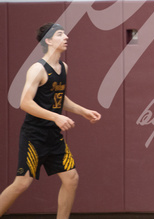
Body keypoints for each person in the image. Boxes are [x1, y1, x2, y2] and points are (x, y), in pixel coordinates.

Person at [0, 23, 102, 218]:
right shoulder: (37, 69)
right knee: (21, 184)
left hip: (53, 136)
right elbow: (25, 103)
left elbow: (59, 97)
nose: (66, 37)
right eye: (60, 34)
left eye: (65, 34)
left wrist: (83, 111)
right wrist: (56, 116)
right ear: (48, 40)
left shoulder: (63, 67)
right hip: (34, 135)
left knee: (71, 178)